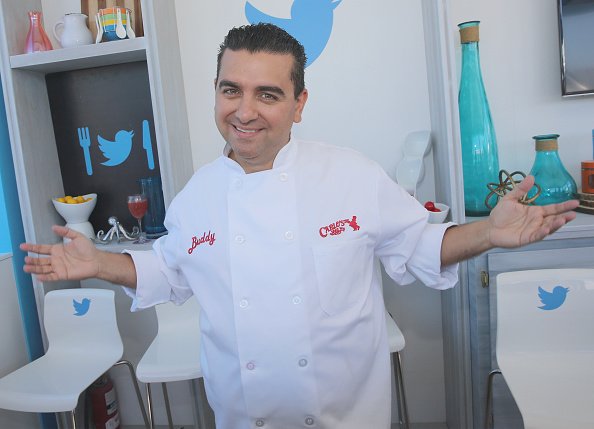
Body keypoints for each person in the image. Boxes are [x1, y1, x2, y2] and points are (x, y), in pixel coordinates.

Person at [22, 23, 578, 429]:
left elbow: (422, 244)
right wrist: (99, 263)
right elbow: (167, 272)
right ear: (215, 91)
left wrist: (489, 233)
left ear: (299, 102)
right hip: (244, 419)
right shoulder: (198, 198)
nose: (244, 111)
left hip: (347, 419)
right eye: (230, 89)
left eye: (268, 94)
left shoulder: (352, 176)